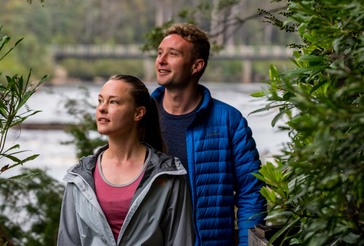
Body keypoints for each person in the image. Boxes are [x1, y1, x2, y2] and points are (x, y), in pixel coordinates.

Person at [151, 24, 265, 246]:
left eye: (172, 54)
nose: (161, 60)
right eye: (159, 53)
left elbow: (251, 194)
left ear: (196, 66)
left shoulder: (229, 121)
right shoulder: (141, 118)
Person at [58, 74, 195, 246]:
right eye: (100, 101)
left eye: (113, 102)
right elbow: (69, 241)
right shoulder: (79, 176)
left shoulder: (167, 174)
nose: (102, 108)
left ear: (138, 113)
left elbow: (180, 240)